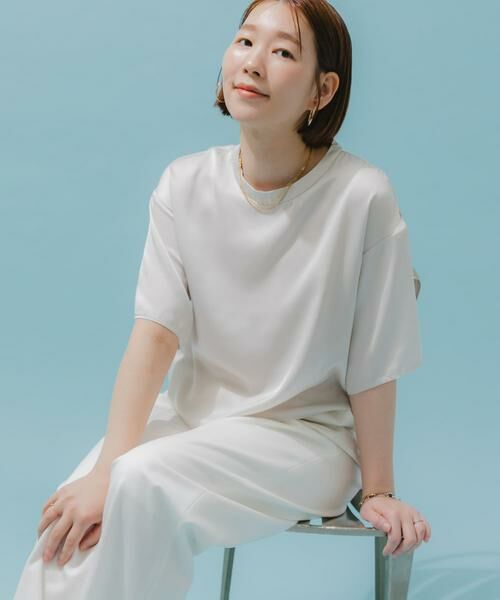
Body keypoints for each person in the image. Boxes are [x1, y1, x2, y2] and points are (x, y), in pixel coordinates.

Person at [13, 0, 432, 598]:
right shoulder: (183, 185)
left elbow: (375, 358)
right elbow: (155, 334)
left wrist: (380, 488)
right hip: (193, 418)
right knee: (73, 518)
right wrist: (103, 470)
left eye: (283, 51)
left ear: (323, 90)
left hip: (304, 438)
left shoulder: (362, 196)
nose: (253, 62)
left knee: (142, 483)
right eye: (245, 41)